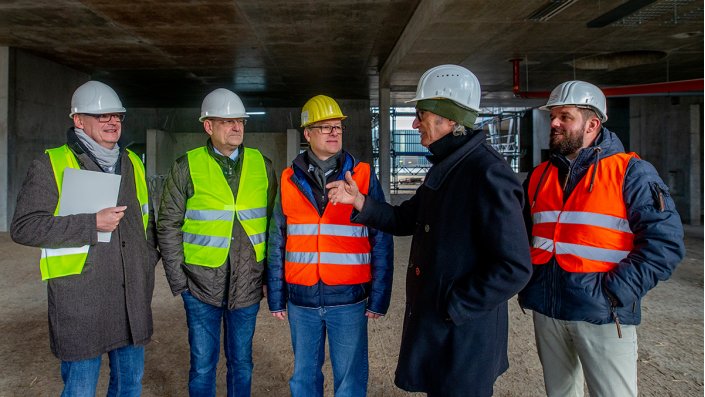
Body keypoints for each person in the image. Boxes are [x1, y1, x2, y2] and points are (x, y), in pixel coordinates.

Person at [327, 65, 532, 397]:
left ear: (449, 120)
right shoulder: (450, 167)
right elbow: (406, 218)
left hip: (465, 335)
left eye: (421, 115)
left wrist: (455, 305)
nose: (414, 123)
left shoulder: (486, 173)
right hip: (444, 330)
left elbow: (515, 266)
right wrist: (361, 202)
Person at [518, 80, 686, 396]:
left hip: (603, 314)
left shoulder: (631, 172)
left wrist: (614, 293)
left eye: (565, 116)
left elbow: (666, 243)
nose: (553, 123)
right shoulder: (540, 176)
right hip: (548, 310)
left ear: (593, 124)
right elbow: (525, 235)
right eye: (553, 115)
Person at [11, 80, 159, 396]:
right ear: (78, 121)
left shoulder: (132, 162)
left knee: (130, 385)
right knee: (80, 388)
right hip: (81, 299)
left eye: (117, 115)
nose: (112, 121)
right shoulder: (51, 164)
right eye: (101, 115)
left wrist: (146, 262)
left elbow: (147, 223)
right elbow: (25, 226)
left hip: (130, 294)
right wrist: (91, 224)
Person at [266, 95, 393, 397]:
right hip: (302, 299)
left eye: (338, 127)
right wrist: (276, 295)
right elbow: (277, 240)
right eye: (325, 127)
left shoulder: (362, 175)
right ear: (307, 134)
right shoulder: (287, 179)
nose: (335, 132)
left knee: (349, 381)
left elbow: (381, 237)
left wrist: (379, 297)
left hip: (348, 299)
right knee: (304, 379)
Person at [157, 88, 276, 397]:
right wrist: (178, 281)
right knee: (202, 365)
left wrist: (270, 278)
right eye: (227, 122)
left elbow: (275, 228)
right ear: (208, 126)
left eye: (240, 121)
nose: (236, 127)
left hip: (247, 284)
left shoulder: (263, 166)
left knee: (242, 364)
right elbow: (167, 224)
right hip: (199, 286)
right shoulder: (186, 166)